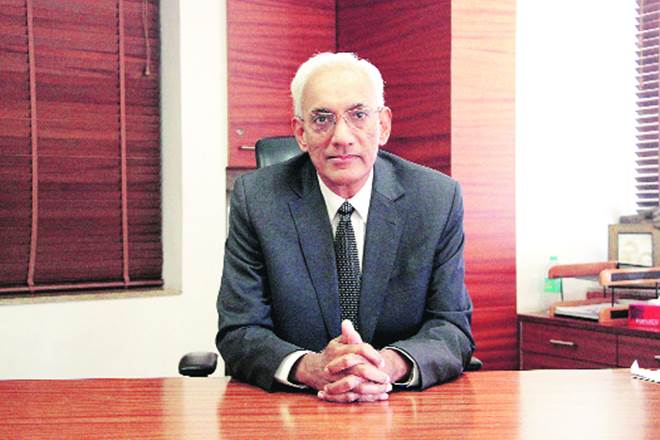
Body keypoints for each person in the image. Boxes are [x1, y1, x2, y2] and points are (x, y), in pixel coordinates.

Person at [216, 52, 474, 403]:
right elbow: (239, 330)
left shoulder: (435, 199)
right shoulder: (258, 200)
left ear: (383, 126)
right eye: (322, 119)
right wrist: (311, 367)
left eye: (358, 115)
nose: (342, 136)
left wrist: (386, 365)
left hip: (402, 405)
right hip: (296, 408)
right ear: (301, 133)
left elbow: (451, 327)